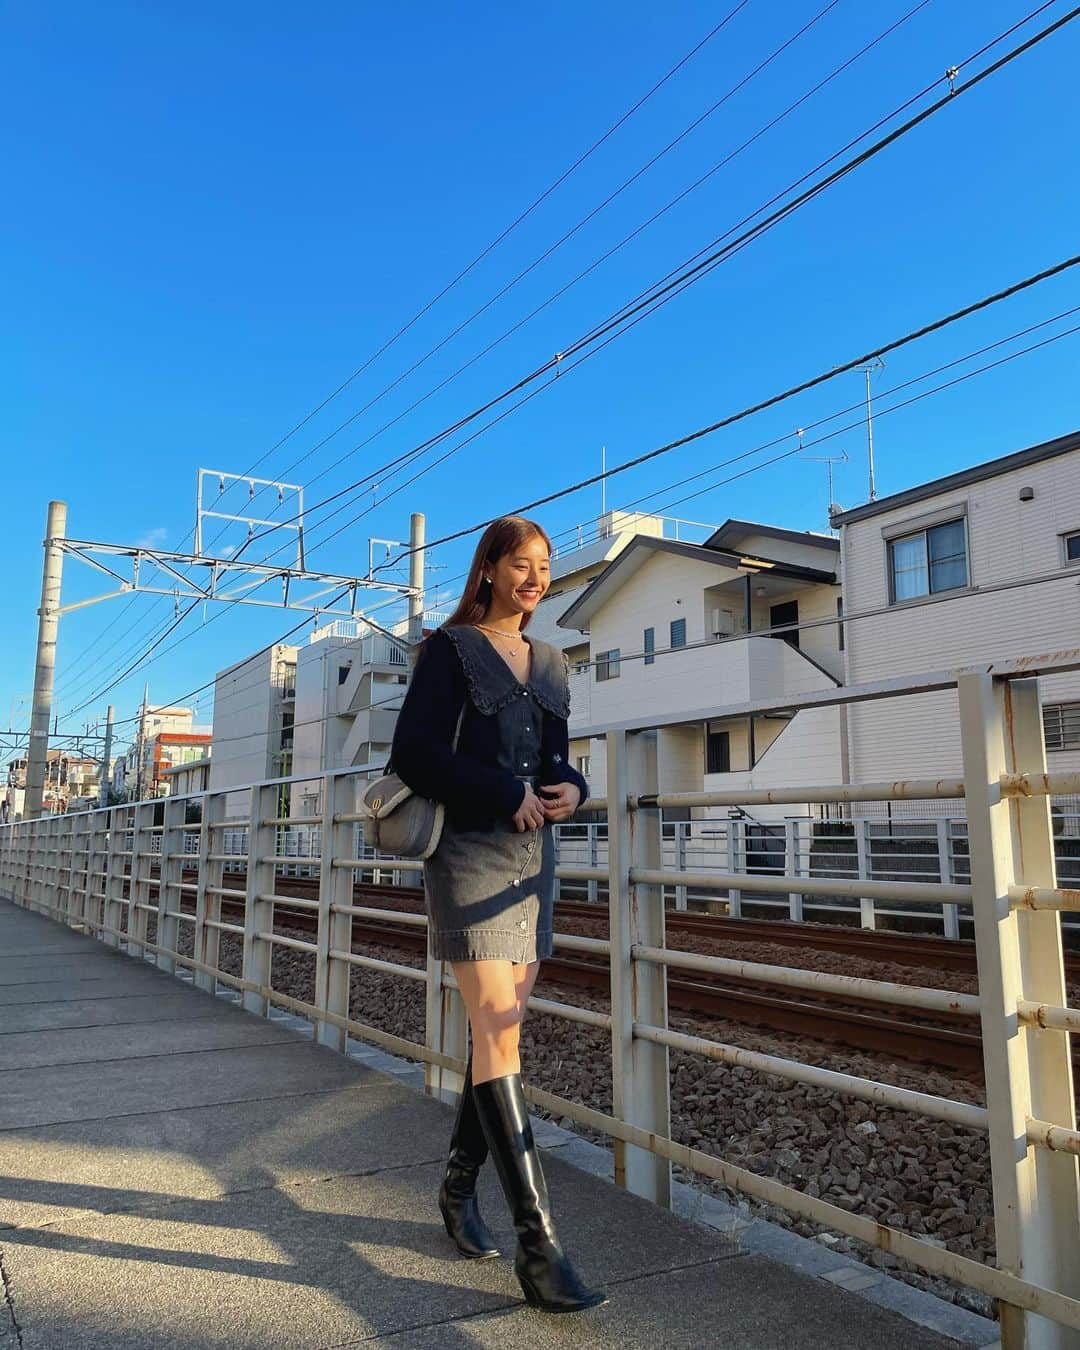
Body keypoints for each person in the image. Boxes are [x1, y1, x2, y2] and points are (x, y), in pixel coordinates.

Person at [391, 514, 606, 1314]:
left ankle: (455, 1190)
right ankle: (541, 1247)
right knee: (496, 1029)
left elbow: (554, 758)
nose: (535, 577)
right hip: (469, 853)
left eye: (544, 565)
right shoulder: (449, 653)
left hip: (530, 859)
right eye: (520, 563)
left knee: (503, 1032)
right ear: (487, 571)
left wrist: (572, 789)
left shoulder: (549, 660)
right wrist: (503, 792)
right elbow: (413, 754)